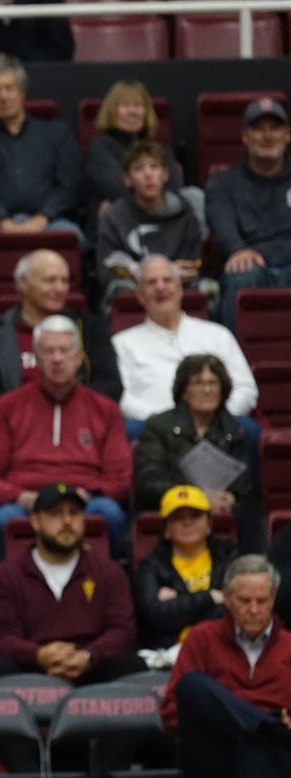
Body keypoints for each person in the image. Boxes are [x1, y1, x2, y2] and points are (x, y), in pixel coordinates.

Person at [0, 315, 132, 559]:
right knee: (3, 520)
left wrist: (87, 495)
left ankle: (106, 587)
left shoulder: (105, 409)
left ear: (79, 358)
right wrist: (19, 496)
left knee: (109, 513)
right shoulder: (8, 406)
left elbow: (120, 478)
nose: (57, 359)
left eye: (65, 351)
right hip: (26, 500)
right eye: (48, 351)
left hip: (84, 500)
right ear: (36, 359)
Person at [0, 54, 80, 343]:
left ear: (22, 92)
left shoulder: (55, 133)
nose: (3, 96)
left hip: (48, 220)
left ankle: (72, 311)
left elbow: (68, 185)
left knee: (71, 233)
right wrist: (3, 220)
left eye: (9, 88)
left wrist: (42, 218)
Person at [0, 482, 145, 682]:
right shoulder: (6, 575)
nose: (67, 521)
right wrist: (39, 655)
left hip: (91, 667)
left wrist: (87, 656)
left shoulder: (109, 571)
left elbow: (123, 631)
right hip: (32, 671)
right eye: (55, 514)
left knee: (130, 664)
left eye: (74, 513)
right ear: (35, 522)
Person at [161, 555, 291, 778]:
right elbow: (170, 713)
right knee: (192, 685)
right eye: (244, 601)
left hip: (278, 753)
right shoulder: (202, 638)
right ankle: (264, 727)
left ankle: (261, 730)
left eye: (262, 601)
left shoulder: (290, 646)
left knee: (255, 746)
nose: (254, 610)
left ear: (273, 600)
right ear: (228, 599)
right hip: (214, 750)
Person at [0, 248, 119, 454]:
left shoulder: (89, 327)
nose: (60, 288)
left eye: (65, 281)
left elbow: (110, 384)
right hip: (19, 419)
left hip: (79, 417)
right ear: (23, 283)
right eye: (50, 281)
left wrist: (68, 407)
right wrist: (34, 411)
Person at [112, 255, 258, 440]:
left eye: (167, 280)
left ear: (180, 289)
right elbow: (123, 398)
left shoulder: (217, 335)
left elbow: (246, 388)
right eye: (151, 282)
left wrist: (216, 416)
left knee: (250, 431)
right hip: (154, 429)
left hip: (218, 427)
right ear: (140, 296)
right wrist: (164, 421)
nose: (160, 287)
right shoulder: (121, 343)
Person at [133, 353, 265, 554]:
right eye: (198, 383)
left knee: (251, 511)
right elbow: (150, 481)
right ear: (184, 390)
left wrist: (230, 497)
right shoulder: (158, 426)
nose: (207, 390)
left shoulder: (235, 430)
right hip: (173, 503)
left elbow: (245, 482)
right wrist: (197, 498)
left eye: (213, 383)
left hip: (223, 508)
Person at [206, 96, 291, 331]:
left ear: (288, 135)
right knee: (241, 275)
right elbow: (223, 228)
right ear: (245, 136)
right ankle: (233, 362)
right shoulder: (222, 183)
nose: (267, 136)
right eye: (258, 129)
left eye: (275, 128)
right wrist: (237, 249)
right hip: (252, 264)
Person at [97, 140, 205, 310]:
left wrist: (168, 278)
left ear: (165, 175)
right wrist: (155, 275)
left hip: (179, 284)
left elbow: (193, 263)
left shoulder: (184, 212)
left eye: (154, 167)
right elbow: (109, 268)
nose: (148, 174)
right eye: (139, 169)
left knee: (207, 289)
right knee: (119, 290)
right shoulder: (114, 216)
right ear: (127, 179)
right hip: (133, 286)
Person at [84, 80, 203, 232]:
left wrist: (155, 202)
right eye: (125, 106)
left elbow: (174, 184)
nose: (133, 111)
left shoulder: (157, 145)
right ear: (111, 111)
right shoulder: (100, 146)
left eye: (138, 106)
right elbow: (117, 188)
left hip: (161, 209)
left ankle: (196, 253)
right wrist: (153, 200)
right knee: (112, 208)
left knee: (194, 195)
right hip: (124, 214)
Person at [133, 485, 236, 652]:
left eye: (195, 516)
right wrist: (209, 597)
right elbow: (155, 617)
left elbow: (236, 609)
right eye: (177, 518)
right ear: (166, 530)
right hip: (168, 654)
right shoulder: (150, 566)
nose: (187, 523)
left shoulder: (229, 557)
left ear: (209, 524)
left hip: (224, 648)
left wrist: (179, 601)